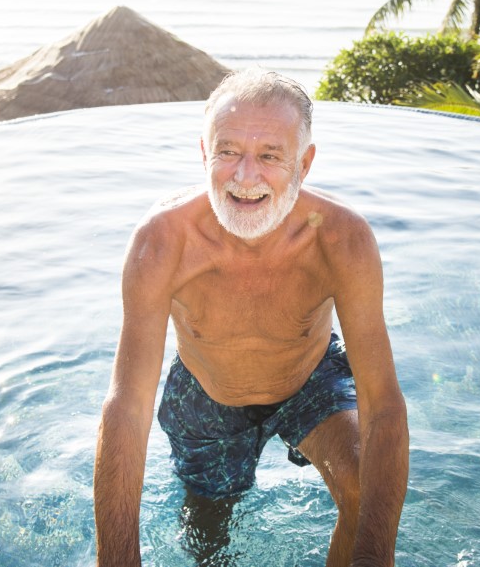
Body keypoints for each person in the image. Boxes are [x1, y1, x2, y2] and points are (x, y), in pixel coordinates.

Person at [93, 70, 408, 566]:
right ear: (204, 153)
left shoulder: (343, 240)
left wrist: (377, 555)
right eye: (228, 151)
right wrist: (116, 559)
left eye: (269, 156)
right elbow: (127, 405)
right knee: (209, 537)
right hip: (206, 394)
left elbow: (383, 403)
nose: (244, 177)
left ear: (304, 163)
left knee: (363, 492)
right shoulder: (162, 242)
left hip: (309, 379)